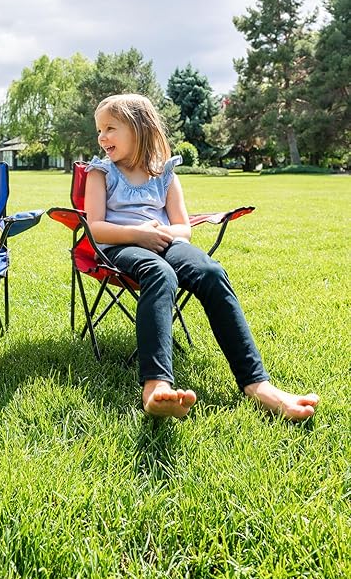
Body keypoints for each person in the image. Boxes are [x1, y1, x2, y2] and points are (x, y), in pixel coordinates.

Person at [85, 93, 319, 421]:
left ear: (139, 128)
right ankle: (155, 385)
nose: (102, 137)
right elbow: (94, 228)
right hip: (121, 245)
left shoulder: (163, 173)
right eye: (99, 130)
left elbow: (183, 228)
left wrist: (162, 234)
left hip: (165, 240)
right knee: (159, 273)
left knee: (210, 271)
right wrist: (140, 233)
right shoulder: (100, 173)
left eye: (110, 128)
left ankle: (257, 384)